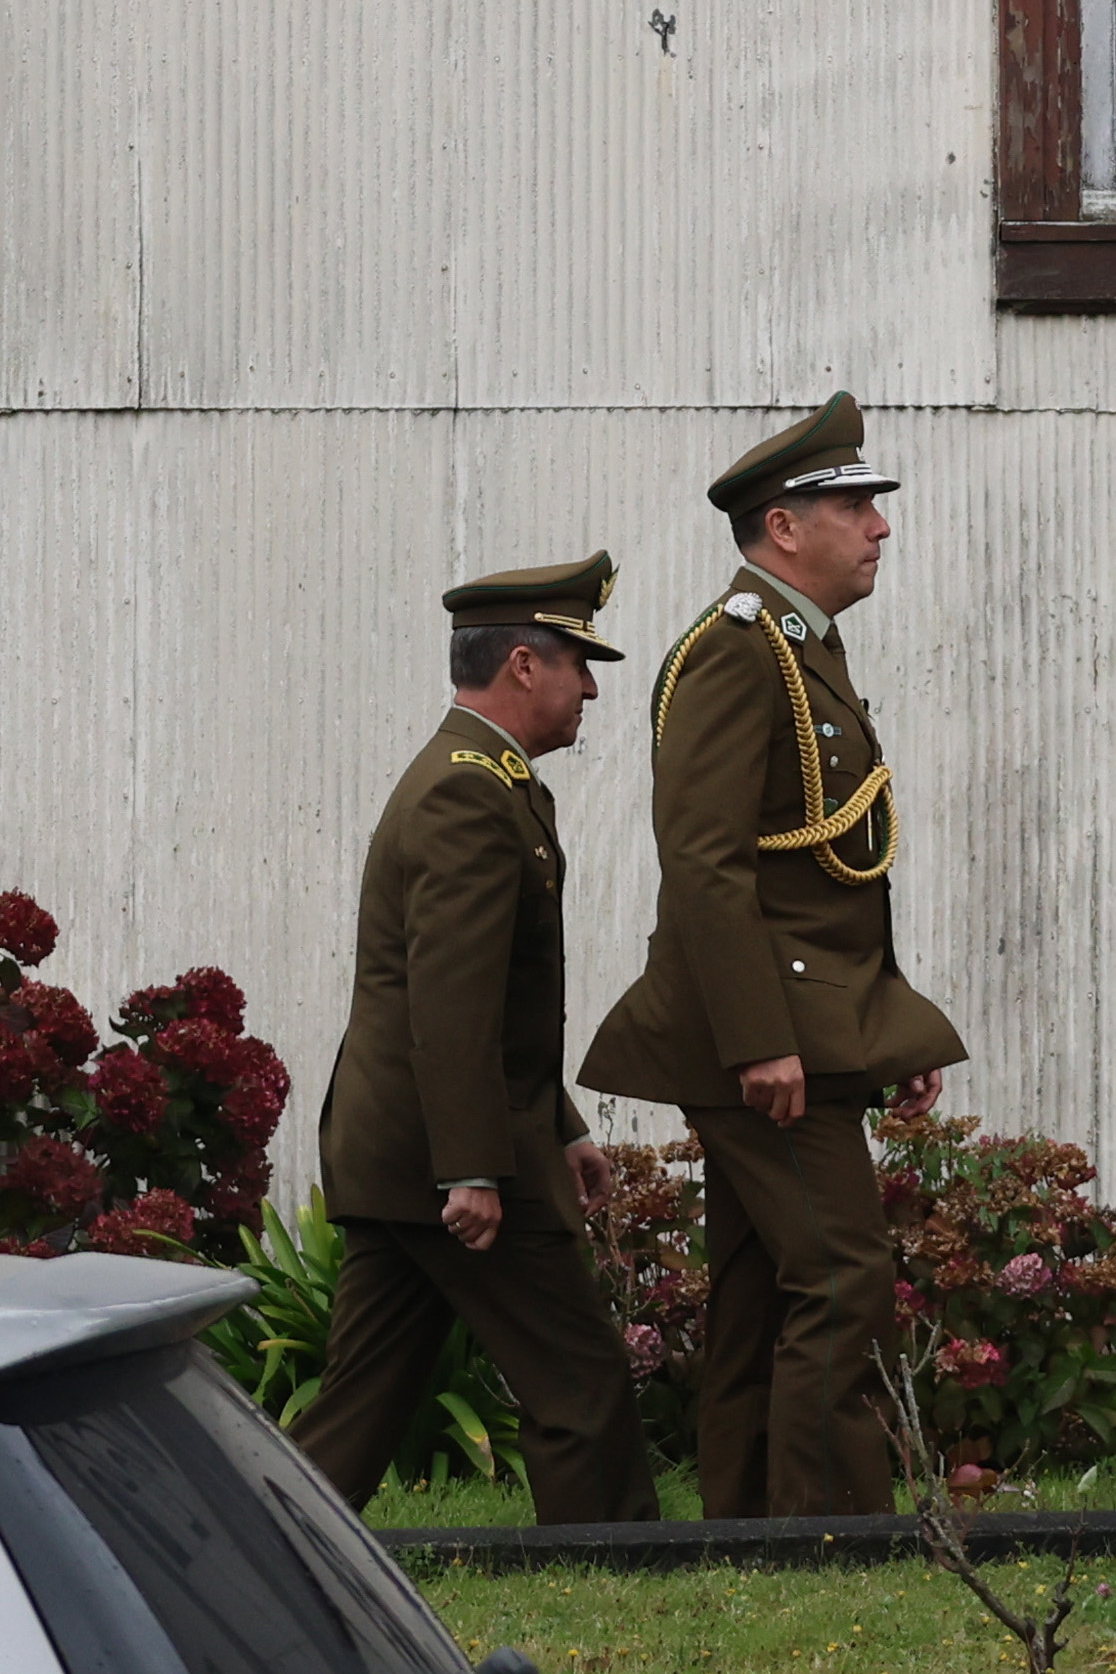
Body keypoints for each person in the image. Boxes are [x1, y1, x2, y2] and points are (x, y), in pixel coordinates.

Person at [581, 391, 966, 1519]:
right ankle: (827, 1531)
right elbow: (705, 865)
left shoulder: (801, 648)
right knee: (844, 1277)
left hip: (805, 1024)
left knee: (761, 1290)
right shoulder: (736, 651)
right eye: (855, 507)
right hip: (759, 1036)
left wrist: (885, 1024)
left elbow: (823, 874)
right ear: (784, 527)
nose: (880, 526)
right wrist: (760, 1040)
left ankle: (749, 1522)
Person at [297, 553, 658, 1526]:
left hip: (407, 1146)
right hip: (446, 1151)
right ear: (524, 665)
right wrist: (472, 1168)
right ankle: (617, 1571)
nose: (591, 689)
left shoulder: (485, 780)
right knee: (579, 1379)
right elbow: (450, 1001)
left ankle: (239, 1556)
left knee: (360, 1405)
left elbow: (498, 1000)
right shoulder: (468, 792)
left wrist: (562, 1124)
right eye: (580, 663)